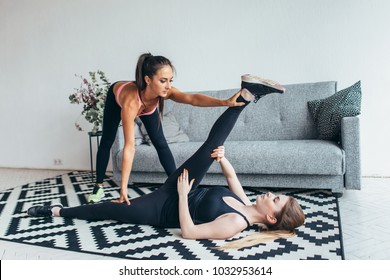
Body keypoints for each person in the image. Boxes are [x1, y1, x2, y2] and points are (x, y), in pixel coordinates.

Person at [27, 78, 305, 248]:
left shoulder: (235, 223)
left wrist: (183, 197)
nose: (271, 195)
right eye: (277, 195)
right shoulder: (244, 203)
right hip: (182, 185)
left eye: (276, 199)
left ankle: (57, 212)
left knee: (111, 209)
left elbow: (190, 232)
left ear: (271, 218)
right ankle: (245, 95)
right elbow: (232, 181)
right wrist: (223, 160)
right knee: (211, 147)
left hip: (165, 207)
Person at [89, 53, 246, 204]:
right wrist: (123, 189)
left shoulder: (165, 92)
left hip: (146, 106)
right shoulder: (131, 102)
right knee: (107, 140)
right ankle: (98, 186)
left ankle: (178, 186)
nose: (168, 86)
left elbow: (192, 99)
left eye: (170, 80)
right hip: (117, 100)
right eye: (163, 81)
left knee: (161, 143)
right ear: (148, 80)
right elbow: (129, 147)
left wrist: (225, 102)